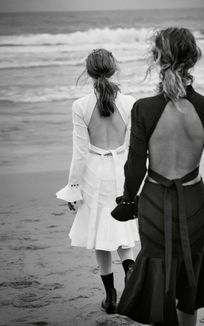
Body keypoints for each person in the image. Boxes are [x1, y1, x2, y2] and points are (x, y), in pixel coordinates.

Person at [111, 27, 204, 326]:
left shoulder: (143, 108)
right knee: (189, 272)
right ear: (192, 60)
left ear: (157, 59)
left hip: (154, 203)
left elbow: (135, 165)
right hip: (195, 204)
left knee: (157, 275)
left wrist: (129, 202)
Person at [56, 48, 139, 314]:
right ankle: (130, 270)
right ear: (114, 68)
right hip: (122, 171)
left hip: (94, 173)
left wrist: (73, 188)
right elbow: (136, 146)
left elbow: (79, 153)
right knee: (123, 230)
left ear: (88, 72)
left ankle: (110, 296)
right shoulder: (129, 103)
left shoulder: (80, 106)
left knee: (100, 236)